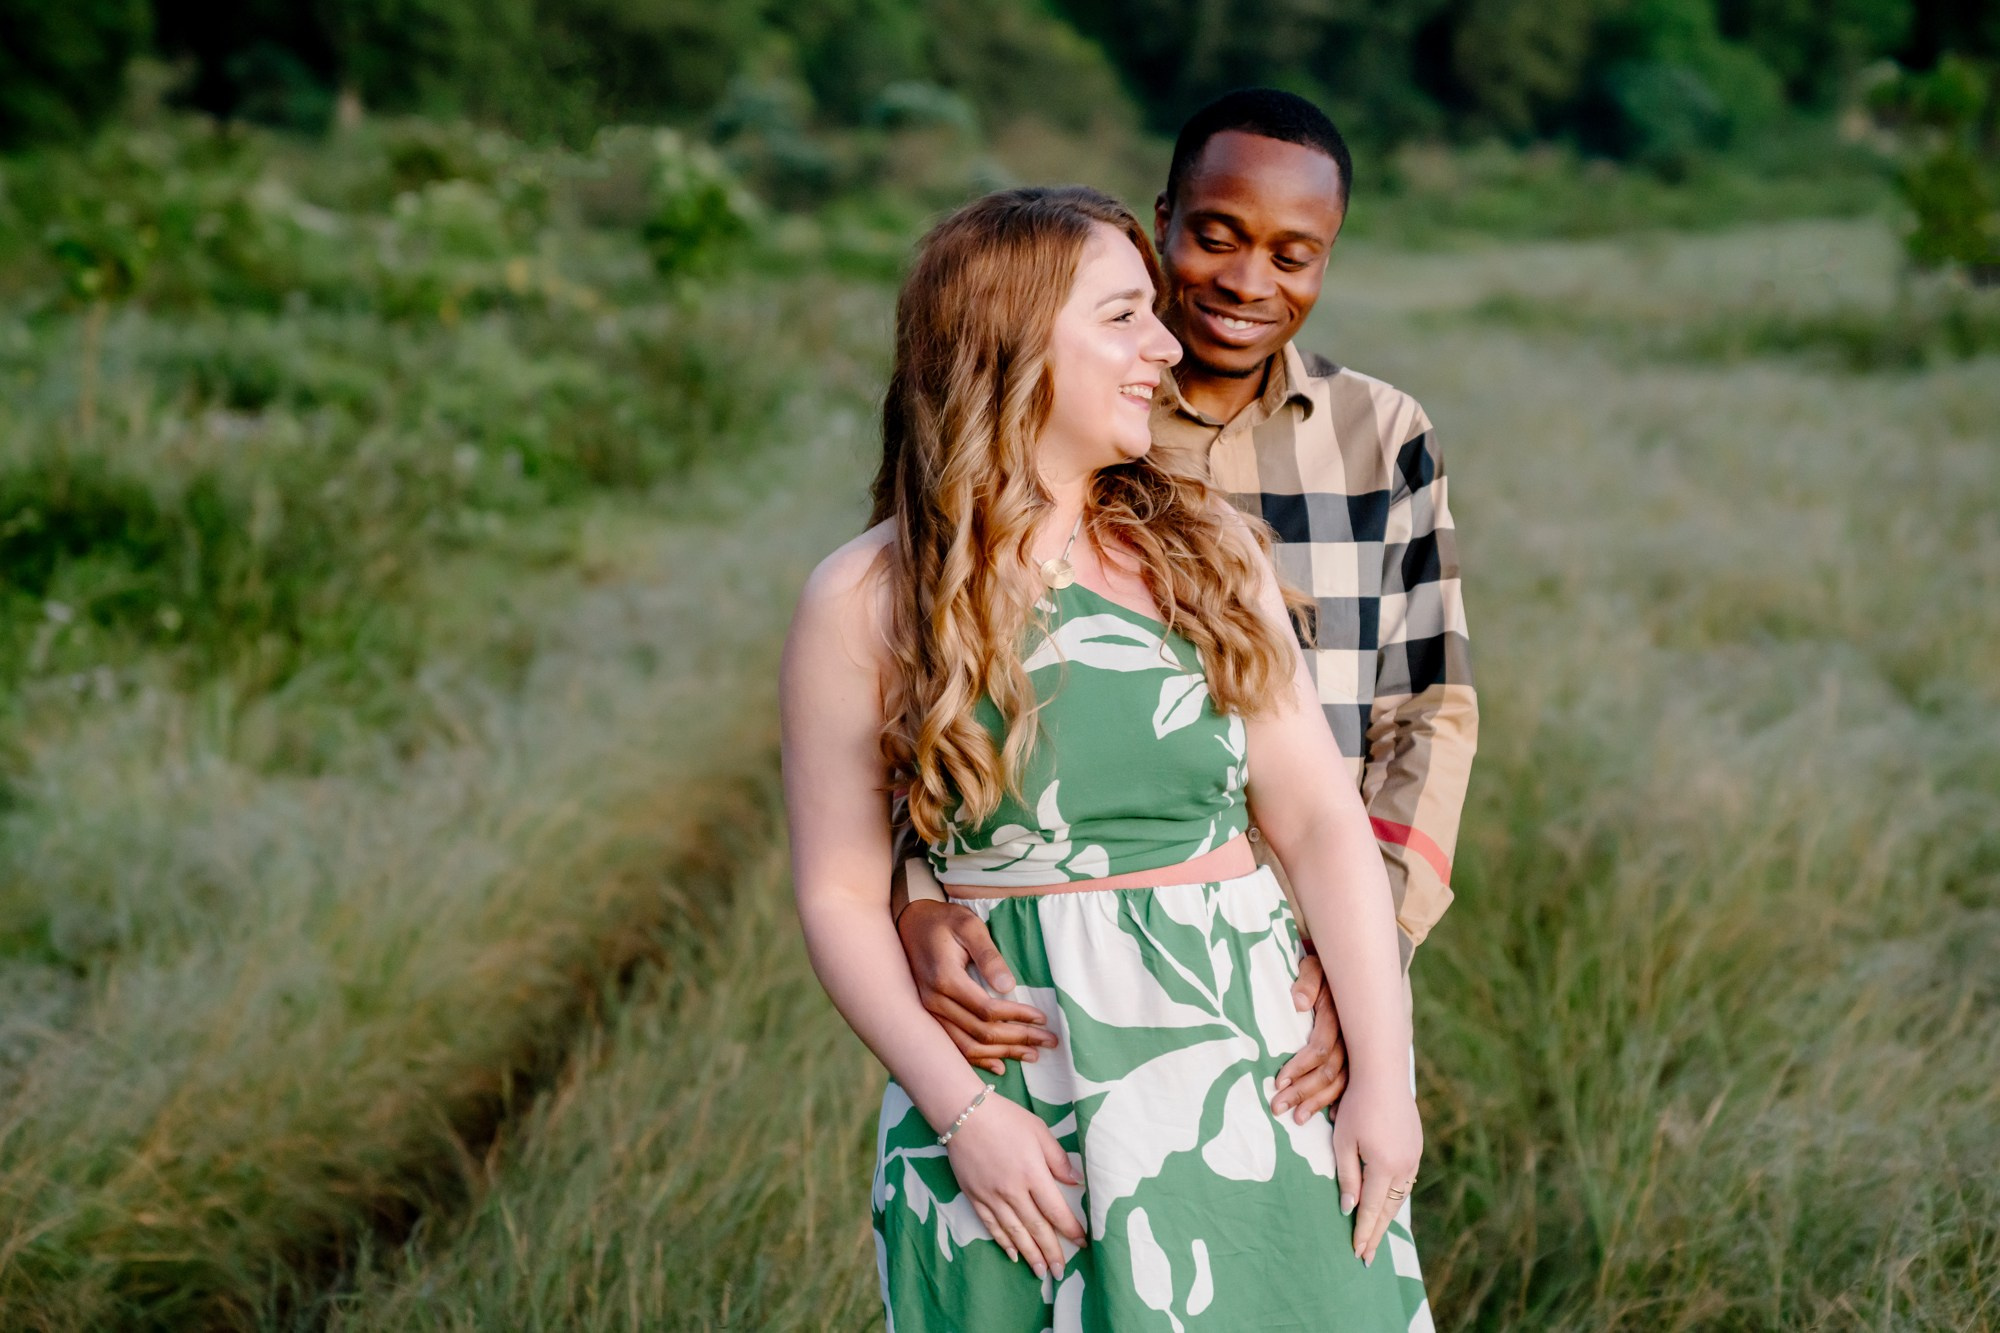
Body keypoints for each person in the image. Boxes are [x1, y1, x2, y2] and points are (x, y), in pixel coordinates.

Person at [782, 185, 1433, 1329]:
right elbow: (837, 892)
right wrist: (961, 1117)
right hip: (1011, 1108)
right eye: (1122, 317)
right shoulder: (867, 598)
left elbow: (1320, 823)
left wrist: (1386, 1076)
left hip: (1251, 1087)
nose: (1165, 346)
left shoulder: (1205, 551)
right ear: (1016, 339)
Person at [893, 88, 1477, 1145]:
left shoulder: (1376, 433)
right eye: (1215, 238)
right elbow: (930, 665)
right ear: (1160, 221)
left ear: (1327, 259)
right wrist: (912, 895)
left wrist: (1364, 957)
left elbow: (1426, 708)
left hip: (1315, 946)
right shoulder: (1078, 406)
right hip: (1066, 955)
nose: (1248, 282)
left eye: (1293, 255)